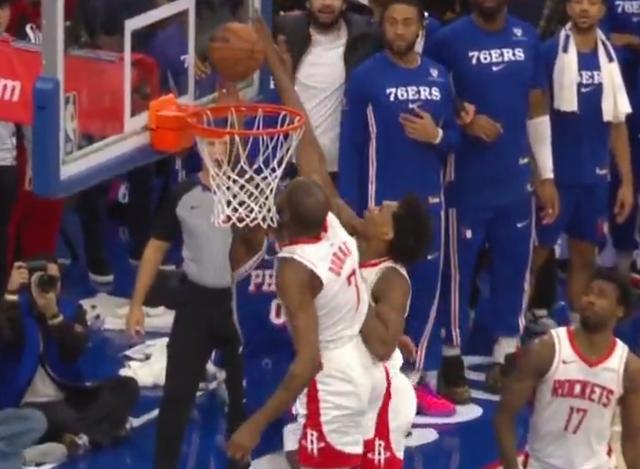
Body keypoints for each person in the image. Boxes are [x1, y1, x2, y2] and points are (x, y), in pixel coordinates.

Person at [226, 18, 431, 467]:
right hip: (333, 382)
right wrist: (278, 67)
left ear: (388, 234)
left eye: (384, 209)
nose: (373, 205)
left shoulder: (386, 276)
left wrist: (348, 298)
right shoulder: (342, 232)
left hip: (363, 393)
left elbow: (380, 346)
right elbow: (311, 155)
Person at [425, 0, 560, 401]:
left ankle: (507, 351)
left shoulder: (527, 37)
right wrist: (464, 119)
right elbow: (431, 94)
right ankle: (451, 354)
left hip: (515, 176)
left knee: (515, 266)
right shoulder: (447, 40)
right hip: (464, 178)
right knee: (457, 270)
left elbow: (536, 104)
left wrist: (546, 173)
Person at [339, 0, 461, 414]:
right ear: (382, 25)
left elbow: (456, 140)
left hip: (429, 203)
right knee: (374, 297)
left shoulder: (439, 76)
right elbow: (351, 147)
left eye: (407, 22)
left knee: (426, 290)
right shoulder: (364, 77)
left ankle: (416, 379)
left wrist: (436, 135)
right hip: (380, 206)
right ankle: (372, 378)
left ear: (420, 26)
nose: (399, 30)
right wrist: (353, 213)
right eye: (392, 22)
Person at [125, 128, 245, 469]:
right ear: (201, 147)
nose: (218, 151)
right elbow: (155, 248)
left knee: (240, 397)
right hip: (196, 304)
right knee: (176, 396)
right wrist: (136, 305)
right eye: (212, 143)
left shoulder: (249, 194)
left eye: (224, 143)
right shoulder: (182, 194)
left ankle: (240, 462)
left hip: (238, 306)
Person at [530, 0, 634, 326]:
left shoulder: (612, 56)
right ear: (568, 8)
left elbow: (617, 123)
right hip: (556, 178)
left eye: (592, 2)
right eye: (578, 2)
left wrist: (627, 182)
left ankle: (577, 328)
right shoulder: (548, 53)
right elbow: (534, 116)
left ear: (603, 10)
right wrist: (540, 175)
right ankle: (510, 335)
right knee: (533, 258)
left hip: (595, 179)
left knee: (585, 257)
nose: (584, 9)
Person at [494, 269, 640, 468]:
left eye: (601, 295)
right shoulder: (545, 350)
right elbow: (504, 416)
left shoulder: (629, 367)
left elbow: (633, 438)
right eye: (588, 292)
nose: (590, 299)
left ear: (620, 310)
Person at [0, 260, 139, 454]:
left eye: (54, 280)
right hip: (28, 404)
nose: (50, 286)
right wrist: (10, 294)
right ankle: (99, 430)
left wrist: (53, 316)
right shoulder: (14, 309)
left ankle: (77, 435)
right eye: (43, 280)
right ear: (30, 283)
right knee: (43, 419)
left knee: (127, 387)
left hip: (69, 395)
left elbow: (75, 349)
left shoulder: (71, 310)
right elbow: (7, 338)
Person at [273, 0, 378, 178]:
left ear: (345, 4)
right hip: (293, 165)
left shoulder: (365, 38)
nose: (327, 3)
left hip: (344, 168)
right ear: (307, 2)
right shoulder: (287, 32)